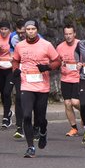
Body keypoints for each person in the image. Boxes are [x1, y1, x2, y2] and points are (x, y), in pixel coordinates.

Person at [12, 20, 60, 158]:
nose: (31, 31)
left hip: (42, 86)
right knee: (27, 115)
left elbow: (58, 61)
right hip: (26, 85)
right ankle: (30, 147)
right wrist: (15, 69)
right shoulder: (20, 46)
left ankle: (43, 131)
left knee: (40, 118)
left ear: (37, 30)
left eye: (33, 29)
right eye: (28, 29)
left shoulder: (46, 45)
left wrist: (47, 67)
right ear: (24, 31)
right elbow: (15, 60)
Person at [56, 23, 82, 136]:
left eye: (70, 34)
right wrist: (58, 63)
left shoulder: (81, 45)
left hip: (78, 78)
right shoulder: (60, 47)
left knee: (75, 102)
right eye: (66, 34)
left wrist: (81, 64)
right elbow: (55, 61)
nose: (68, 36)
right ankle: (74, 128)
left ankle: (84, 113)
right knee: (67, 103)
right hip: (65, 78)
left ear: (74, 34)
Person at [9, 19, 26, 139]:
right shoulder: (13, 38)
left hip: (32, 73)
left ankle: (38, 125)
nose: (21, 35)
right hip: (18, 71)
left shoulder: (39, 39)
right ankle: (19, 127)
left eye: (23, 32)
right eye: (18, 32)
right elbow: (11, 51)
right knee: (19, 97)